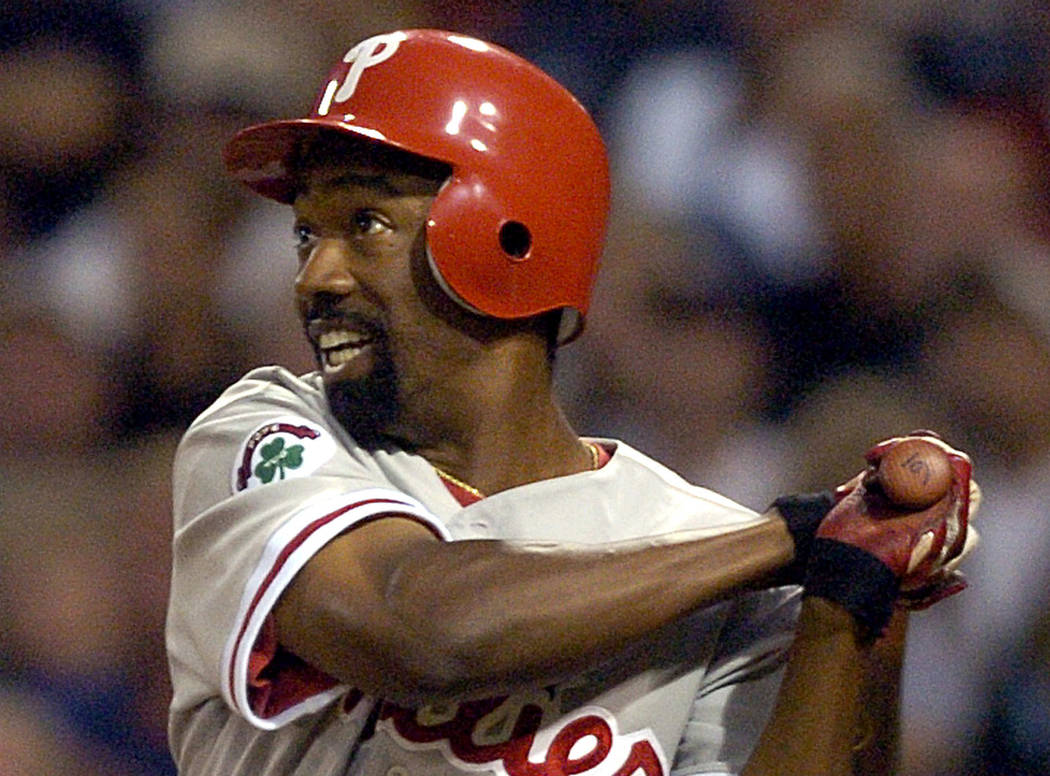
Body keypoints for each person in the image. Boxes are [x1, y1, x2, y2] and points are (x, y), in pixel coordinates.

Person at [165, 29, 978, 776]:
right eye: (307, 233)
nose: (315, 277)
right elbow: (419, 632)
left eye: (365, 223)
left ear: (509, 236)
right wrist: (787, 542)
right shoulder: (264, 436)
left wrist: (859, 584)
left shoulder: (702, 550)